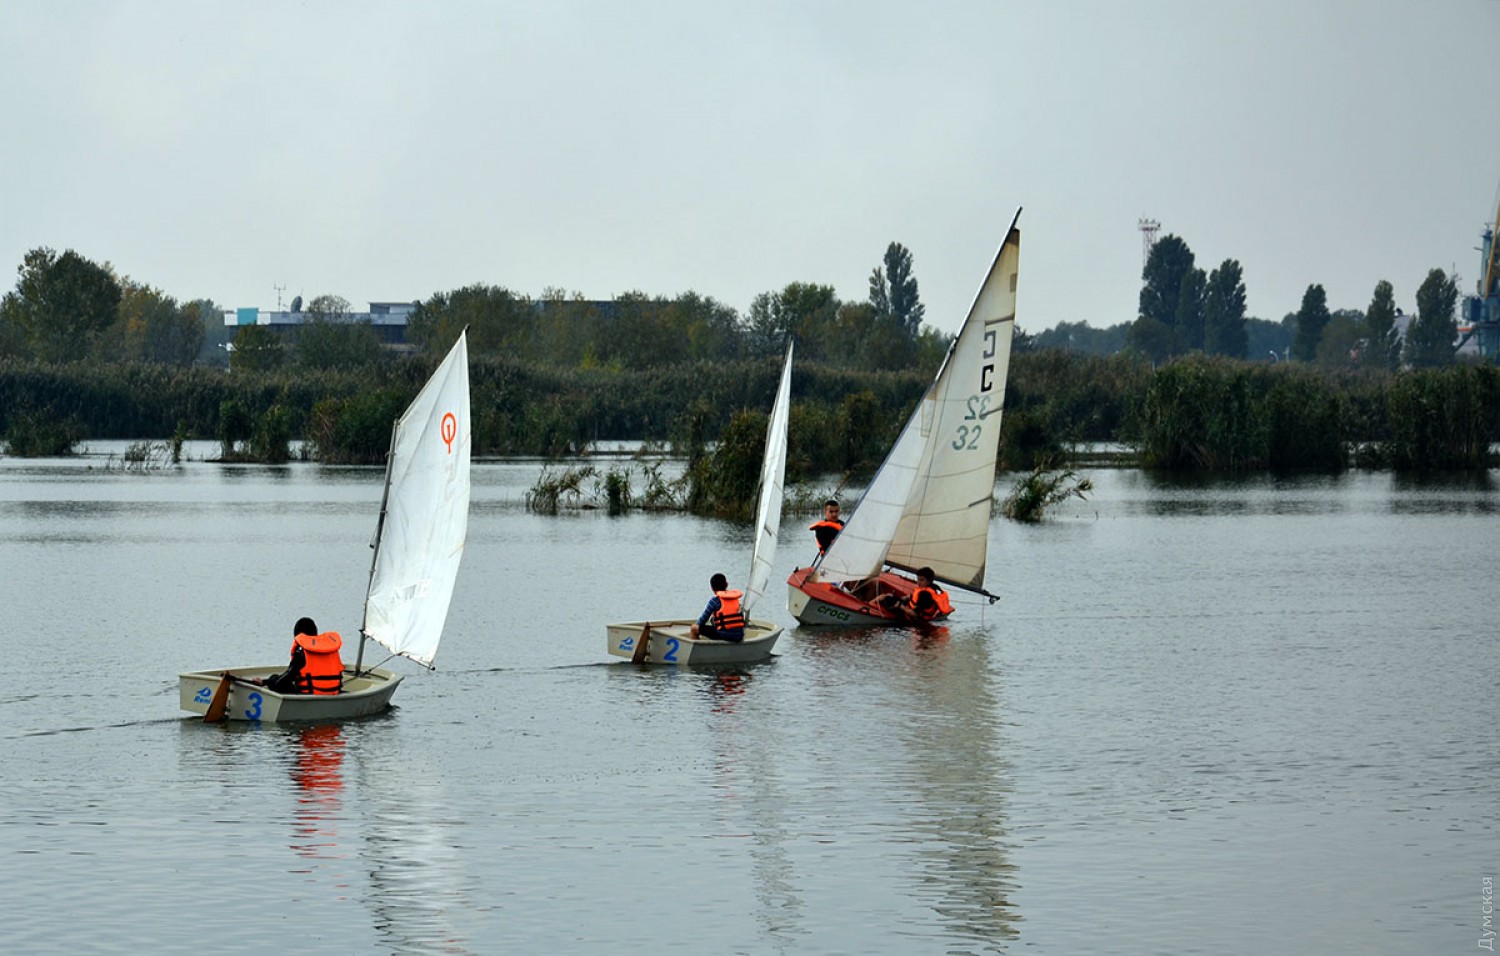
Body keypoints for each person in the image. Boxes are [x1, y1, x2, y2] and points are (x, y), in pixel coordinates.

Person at [264, 617, 345, 694]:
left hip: (309, 694)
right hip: (334, 692)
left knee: (273, 680)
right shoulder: (332, 651)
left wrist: (268, 681)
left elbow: (282, 682)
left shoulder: (301, 653)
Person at [877, 567, 952, 623]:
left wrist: (901, 606)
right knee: (889, 595)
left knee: (884, 597)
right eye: (918, 579)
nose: (918, 582)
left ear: (929, 581)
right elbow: (917, 599)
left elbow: (915, 614)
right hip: (911, 608)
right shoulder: (932, 587)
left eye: (922, 580)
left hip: (912, 616)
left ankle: (872, 605)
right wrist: (908, 597)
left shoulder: (925, 595)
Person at [690, 572, 746, 643]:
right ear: (726, 584)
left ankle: (698, 649)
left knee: (694, 628)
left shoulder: (714, 601)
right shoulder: (736, 599)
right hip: (739, 635)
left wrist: (696, 624)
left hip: (724, 634)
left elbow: (702, 621)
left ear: (712, 588)